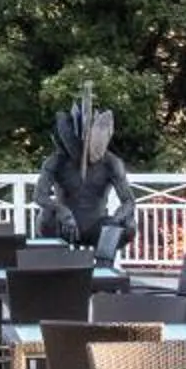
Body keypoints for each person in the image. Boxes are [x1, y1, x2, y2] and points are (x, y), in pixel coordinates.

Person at [34, 92, 134, 263]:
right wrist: (62, 211)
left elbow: (129, 201)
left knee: (129, 224)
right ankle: (53, 265)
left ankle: (104, 268)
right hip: (63, 226)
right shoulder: (56, 161)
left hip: (96, 225)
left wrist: (115, 220)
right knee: (46, 216)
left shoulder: (111, 162)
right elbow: (39, 196)